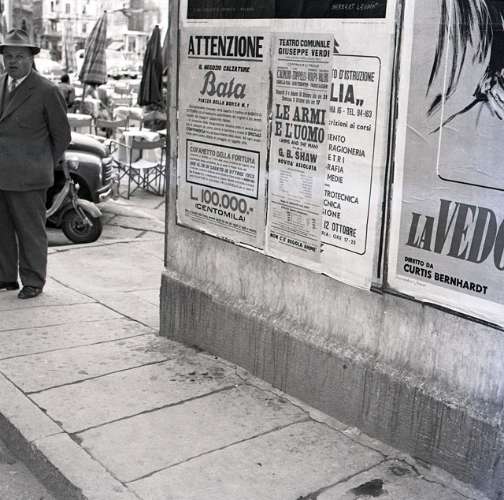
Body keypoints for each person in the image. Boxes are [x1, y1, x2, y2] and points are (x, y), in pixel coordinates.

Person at [0, 29, 71, 299]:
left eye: (19, 56)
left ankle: (33, 280)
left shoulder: (46, 90)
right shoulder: (0, 83)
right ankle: (6, 277)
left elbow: (62, 136)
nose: (13, 61)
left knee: (30, 231)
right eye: (8, 56)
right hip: (1, 173)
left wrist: (41, 163)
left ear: (31, 58)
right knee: (2, 229)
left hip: (29, 176)